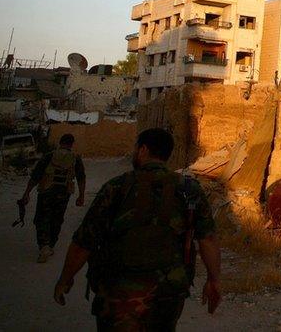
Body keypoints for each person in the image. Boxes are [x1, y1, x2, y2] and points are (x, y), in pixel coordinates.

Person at [52, 128, 222, 330]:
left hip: (118, 294)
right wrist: (214, 280)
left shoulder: (116, 187)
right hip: (167, 295)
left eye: (135, 148)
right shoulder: (189, 189)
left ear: (143, 150)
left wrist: (65, 278)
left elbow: (84, 242)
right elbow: (207, 239)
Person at [21, 133, 86, 262]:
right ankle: (50, 245)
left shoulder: (49, 156)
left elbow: (36, 176)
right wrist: (81, 196)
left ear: (60, 142)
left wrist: (27, 193)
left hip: (46, 191)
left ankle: (44, 245)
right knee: (57, 218)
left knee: (42, 218)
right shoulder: (75, 158)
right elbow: (81, 178)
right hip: (64, 193)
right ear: (71, 144)